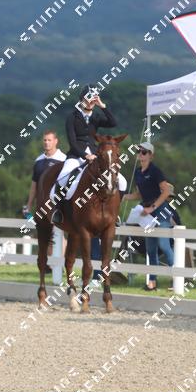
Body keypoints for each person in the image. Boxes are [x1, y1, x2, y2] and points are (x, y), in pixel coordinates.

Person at [52, 85, 118, 225]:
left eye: (93, 99)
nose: (90, 102)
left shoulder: (96, 117)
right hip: (76, 155)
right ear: (81, 99)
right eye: (88, 99)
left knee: (120, 181)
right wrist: (85, 155)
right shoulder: (72, 117)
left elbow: (113, 123)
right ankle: (58, 210)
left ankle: (115, 211)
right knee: (62, 178)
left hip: (96, 155)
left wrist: (102, 106)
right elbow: (72, 142)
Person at [122, 142, 174, 291]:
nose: (140, 154)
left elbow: (166, 192)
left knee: (164, 245)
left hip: (160, 211)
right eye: (139, 151)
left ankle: (177, 280)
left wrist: (153, 207)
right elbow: (139, 194)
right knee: (150, 250)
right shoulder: (138, 172)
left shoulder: (156, 171)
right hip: (147, 214)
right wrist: (123, 197)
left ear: (151, 155)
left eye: (144, 152)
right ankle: (152, 283)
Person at [24, 129, 66, 216]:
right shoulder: (38, 160)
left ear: (55, 141)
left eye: (49, 140)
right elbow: (34, 186)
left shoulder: (63, 160)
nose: (46, 142)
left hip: (58, 208)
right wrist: (29, 205)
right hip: (40, 207)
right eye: (45, 140)